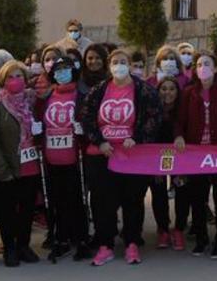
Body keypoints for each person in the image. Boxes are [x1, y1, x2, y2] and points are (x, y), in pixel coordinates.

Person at [79, 48, 162, 266]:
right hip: (102, 155)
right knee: (102, 202)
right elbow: (86, 118)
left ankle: (132, 243)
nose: (119, 66)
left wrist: (137, 137)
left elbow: (154, 116)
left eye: (123, 62)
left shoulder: (143, 89)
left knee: (132, 200)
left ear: (130, 65)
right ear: (109, 66)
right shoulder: (98, 90)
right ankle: (105, 245)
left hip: (132, 156)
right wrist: (100, 141)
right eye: (115, 62)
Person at [0, 59, 42, 267]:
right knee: (7, 212)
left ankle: (23, 244)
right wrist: (1, 170)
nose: (15, 80)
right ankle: (10, 247)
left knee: (26, 209)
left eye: (19, 76)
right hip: (8, 168)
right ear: (3, 80)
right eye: (11, 77)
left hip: (30, 165)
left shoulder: (31, 102)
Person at [174, 53, 217, 258]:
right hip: (196, 155)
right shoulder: (188, 93)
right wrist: (179, 136)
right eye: (199, 64)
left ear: (216, 68)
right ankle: (201, 238)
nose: (203, 67)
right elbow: (179, 120)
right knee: (197, 198)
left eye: (207, 64)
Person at [37, 56, 91, 260]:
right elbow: (38, 118)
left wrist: (83, 129)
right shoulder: (48, 96)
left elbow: (91, 120)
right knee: (55, 199)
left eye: (66, 69)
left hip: (75, 157)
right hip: (51, 158)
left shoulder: (82, 94)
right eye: (58, 70)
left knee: (77, 199)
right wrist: (37, 130)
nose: (61, 73)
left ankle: (81, 238)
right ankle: (60, 237)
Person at [152, 76, 188, 252]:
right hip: (157, 159)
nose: (167, 92)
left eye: (172, 89)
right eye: (163, 89)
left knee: (181, 191)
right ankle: (163, 229)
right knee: (158, 193)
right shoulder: (152, 110)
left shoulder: (183, 110)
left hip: (179, 158)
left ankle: (179, 229)